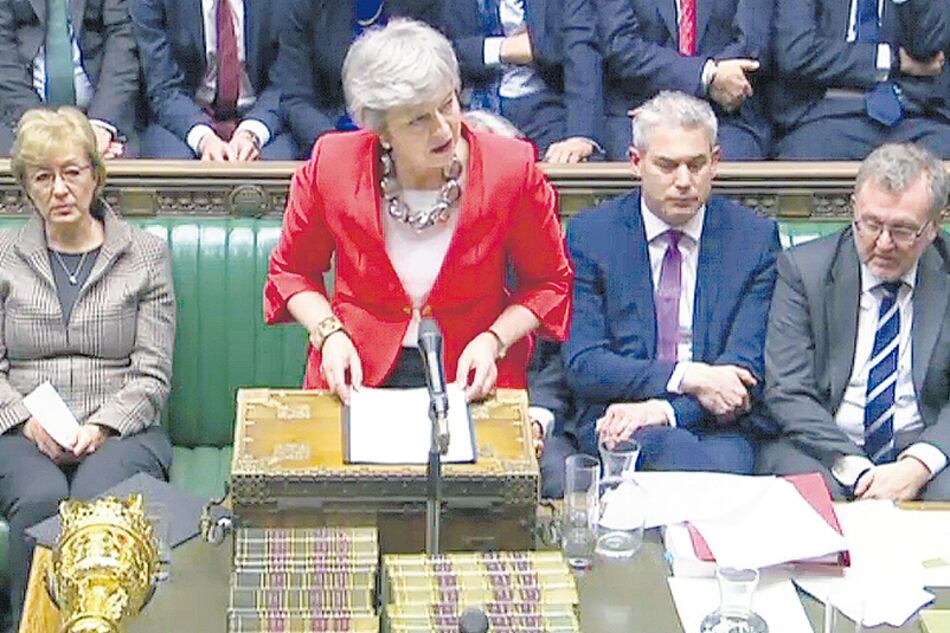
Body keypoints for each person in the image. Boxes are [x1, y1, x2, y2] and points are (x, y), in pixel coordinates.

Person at [264, 20, 572, 403]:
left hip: (473, 375)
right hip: (357, 373)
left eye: (447, 104)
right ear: (383, 131)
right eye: (418, 119)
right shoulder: (333, 164)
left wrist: (495, 340)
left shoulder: (510, 168)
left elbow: (548, 282)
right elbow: (292, 270)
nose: (443, 129)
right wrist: (329, 333)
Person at [0, 108, 176, 624]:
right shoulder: (3, 256)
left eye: (72, 172)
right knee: (42, 498)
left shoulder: (145, 255)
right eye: (43, 177)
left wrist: (101, 426)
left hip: (121, 432)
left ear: (95, 176)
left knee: (97, 506)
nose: (60, 189)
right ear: (27, 187)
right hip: (19, 431)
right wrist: (28, 423)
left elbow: (152, 374)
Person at [563, 91, 780, 472]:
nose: (683, 181)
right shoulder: (591, 237)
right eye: (667, 165)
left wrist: (665, 410)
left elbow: (743, 373)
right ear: (636, 162)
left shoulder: (754, 239)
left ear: (715, 162)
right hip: (617, 417)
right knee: (673, 456)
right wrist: (686, 376)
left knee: (704, 463)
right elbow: (586, 364)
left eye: (696, 165)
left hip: (716, 424)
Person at [761, 143, 950, 501]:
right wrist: (857, 469)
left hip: (923, 446)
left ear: (933, 227)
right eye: (871, 224)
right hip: (823, 445)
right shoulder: (804, 270)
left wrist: (919, 464)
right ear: (854, 210)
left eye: (902, 230)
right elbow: (788, 389)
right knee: (815, 497)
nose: (883, 243)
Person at [771, 0, 950, 159]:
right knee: (802, 155)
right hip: (828, 114)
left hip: (914, 116)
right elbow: (797, 53)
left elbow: (929, 48)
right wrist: (890, 60)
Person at [595, 0, 772, 161]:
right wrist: (705, 76)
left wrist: (713, 80)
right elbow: (621, 47)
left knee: (728, 165)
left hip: (724, 112)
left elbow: (750, 46)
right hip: (640, 108)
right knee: (643, 167)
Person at [130, 0, 297, 159]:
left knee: (276, 168)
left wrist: (251, 132)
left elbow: (285, 81)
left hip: (263, 112)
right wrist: (203, 138)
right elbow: (163, 87)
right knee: (174, 167)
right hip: (184, 115)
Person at [441, 0, 603, 163]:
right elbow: (434, 50)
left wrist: (580, 137)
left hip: (542, 113)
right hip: (467, 109)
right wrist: (500, 49)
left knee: (569, 159)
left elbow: (580, 52)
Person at [276, 0, 443, 157]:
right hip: (328, 135)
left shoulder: (427, 5)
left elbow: (438, 80)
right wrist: (335, 144)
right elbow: (295, 97)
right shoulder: (307, 5)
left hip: (411, 131)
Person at [0, 0, 139, 158]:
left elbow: (122, 43)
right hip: (22, 113)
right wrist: (38, 128)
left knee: (129, 164)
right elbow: (4, 60)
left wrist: (102, 125)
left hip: (101, 112)